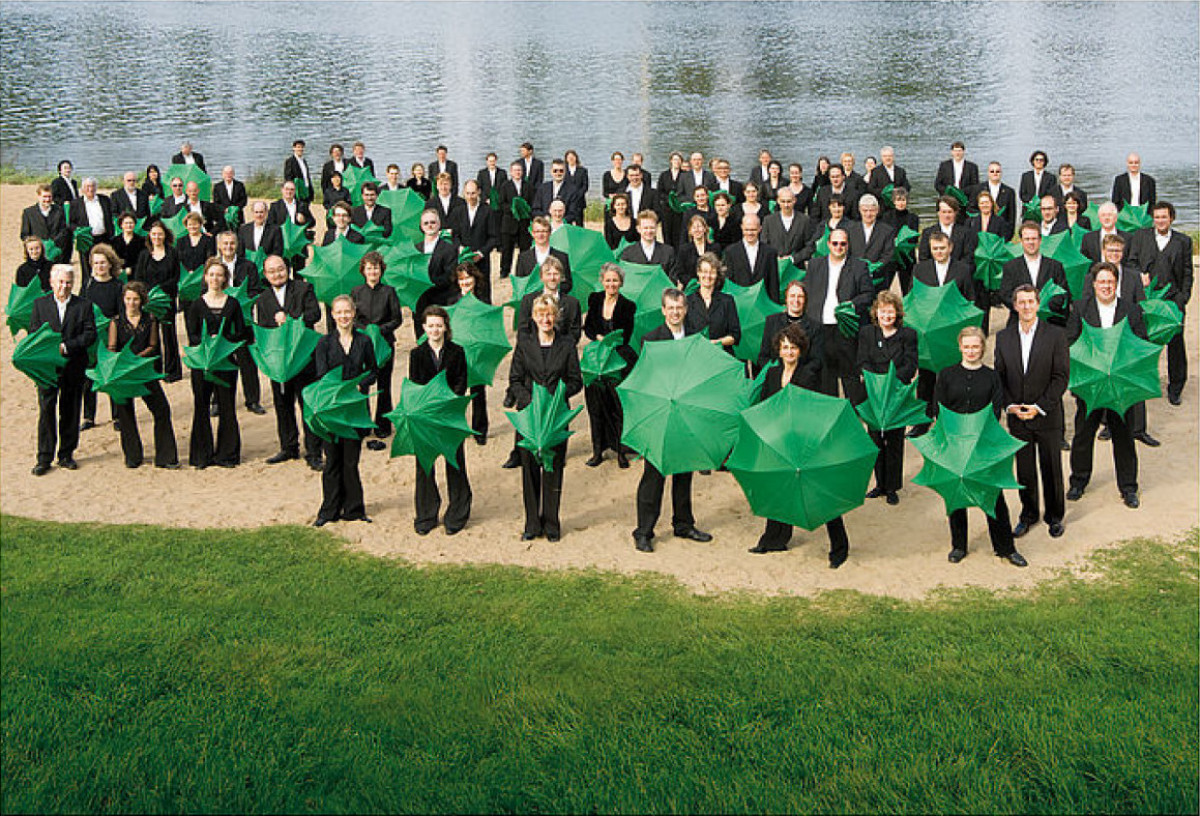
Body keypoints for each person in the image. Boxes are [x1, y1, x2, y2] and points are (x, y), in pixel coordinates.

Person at [748, 322, 850, 567]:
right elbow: (765, 407)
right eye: (785, 348)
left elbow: (814, 409)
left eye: (793, 347)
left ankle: (840, 548)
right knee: (778, 489)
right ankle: (774, 539)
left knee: (821, 493)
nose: (789, 352)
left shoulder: (809, 374)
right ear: (779, 350)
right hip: (780, 441)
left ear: (800, 350)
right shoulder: (772, 374)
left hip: (806, 442)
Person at [934, 326, 1027, 566]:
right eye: (967, 346)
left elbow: (995, 411)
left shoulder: (992, 376)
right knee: (956, 494)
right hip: (954, 444)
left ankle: (1005, 547)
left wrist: (976, 435)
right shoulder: (946, 375)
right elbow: (939, 410)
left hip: (983, 444)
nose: (971, 351)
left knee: (993, 496)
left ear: (982, 348)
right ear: (960, 348)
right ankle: (958, 545)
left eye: (975, 346)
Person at [632, 289, 713, 553]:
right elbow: (644, 379)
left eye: (679, 307)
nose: (675, 312)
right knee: (653, 476)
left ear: (686, 309)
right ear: (663, 310)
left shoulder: (696, 337)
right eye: (670, 308)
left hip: (686, 414)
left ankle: (683, 524)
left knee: (684, 472)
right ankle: (643, 531)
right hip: (660, 414)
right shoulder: (650, 340)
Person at [1065, 263, 1146, 509]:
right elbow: (1070, 342)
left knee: (1123, 437)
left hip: (1119, 386)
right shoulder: (1080, 308)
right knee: (1083, 435)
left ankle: (1128, 487)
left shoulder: (1130, 310)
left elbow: (1141, 342)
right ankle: (1078, 481)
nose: (1106, 286)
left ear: (1116, 283)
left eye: (1110, 282)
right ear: (1094, 284)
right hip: (1090, 385)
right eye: (1102, 282)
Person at [994, 285, 1069, 539]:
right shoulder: (1004, 337)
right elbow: (1000, 377)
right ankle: (1028, 515)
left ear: (1038, 304)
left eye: (1030, 301)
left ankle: (1055, 516)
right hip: (1018, 416)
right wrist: (1011, 406)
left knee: (1051, 467)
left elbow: (1060, 378)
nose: (1026, 306)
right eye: (1021, 302)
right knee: (1024, 470)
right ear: (1014, 306)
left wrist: (1039, 407)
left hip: (1047, 415)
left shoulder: (1056, 335)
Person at [509, 294, 583, 541]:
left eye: (549, 314)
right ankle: (532, 523)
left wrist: (555, 395)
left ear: (556, 316)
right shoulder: (524, 343)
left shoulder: (566, 344)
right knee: (529, 469)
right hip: (529, 416)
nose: (546, 319)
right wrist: (529, 399)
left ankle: (552, 523)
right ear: (534, 317)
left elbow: (575, 381)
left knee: (553, 469)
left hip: (555, 415)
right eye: (541, 314)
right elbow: (515, 380)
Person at [312, 294, 379, 527]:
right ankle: (328, 510)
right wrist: (340, 389)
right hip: (332, 409)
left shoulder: (364, 341)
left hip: (356, 409)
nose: (343, 316)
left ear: (354, 313)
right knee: (331, 461)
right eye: (339, 312)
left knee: (350, 461)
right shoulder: (324, 343)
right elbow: (321, 375)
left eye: (347, 312)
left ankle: (354, 508)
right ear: (333, 315)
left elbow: (373, 370)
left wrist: (362, 384)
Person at [255, 254, 324, 471]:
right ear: (265, 275)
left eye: (281, 269)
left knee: (308, 405)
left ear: (288, 269)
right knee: (282, 405)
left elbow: (315, 314)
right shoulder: (263, 299)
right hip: (280, 362)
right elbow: (264, 328)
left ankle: (314, 452)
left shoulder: (303, 289)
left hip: (304, 358)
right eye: (272, 271)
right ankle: (288, 447)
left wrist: (290, 318)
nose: (277, 274)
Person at [408, 305, 473, 534]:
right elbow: (415, 385)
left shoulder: (457, 351)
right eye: (431, 325)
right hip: (425, 417)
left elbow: (461, 383)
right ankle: (426, 515)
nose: (435, 329)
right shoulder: (416, 354)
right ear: (424, 327)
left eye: (439, 325)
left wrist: (446, 402)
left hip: (450, 416)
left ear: (445, 327)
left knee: (455, 464)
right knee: (425, 465)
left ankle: (457, 514)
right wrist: (429, 405)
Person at [28, 265, 96, 475]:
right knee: (46, 411)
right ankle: (44, 457)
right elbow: (33, 335)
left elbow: (89, 334)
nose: (64, 286)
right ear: (51, 282)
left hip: (73, 366)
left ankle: (66, 454)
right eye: (60, 282)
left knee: (70, 410)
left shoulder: (83, 305)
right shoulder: (40, 305)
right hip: (48, 369)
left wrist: (67, 347)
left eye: (68, 282)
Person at [854, 291, 918, 505]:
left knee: (894, 440)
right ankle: (880, 484)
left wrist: (891, 382)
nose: (886, 315)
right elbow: (862, 361)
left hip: (896, 395)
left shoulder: (908, 334)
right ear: (876, 313)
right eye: (883, 311)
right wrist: (876, 382)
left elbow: (910, 364)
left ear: (897, 313)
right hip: (874, 395)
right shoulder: (866, 333)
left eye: (890, 311)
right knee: (875, 439)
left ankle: (892, 487)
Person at [107, 281, 179, 469]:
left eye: (135, 299)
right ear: (123, 299)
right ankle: (133, 456)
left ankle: (165, 457)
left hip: (145, 371)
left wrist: (136, 360)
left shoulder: (150, 319)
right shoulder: (115, 322)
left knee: (162, 409)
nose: (131, 303)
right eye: (128, 299)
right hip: (124, 373)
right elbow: (112, 348)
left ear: (142, 300)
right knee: (125, 414)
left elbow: (153, 345)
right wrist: (125, 363)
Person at [1128, 201, 1192, 406]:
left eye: (1164, 217)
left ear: (1171, 218)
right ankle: (1143, 384)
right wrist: (1140, 276)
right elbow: (1131, 263)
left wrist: (1182, 300)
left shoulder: (1184, 241)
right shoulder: (1141, 236)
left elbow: (1188, 273)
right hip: (1147, 300)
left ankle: (1175, 388)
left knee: (1175, 345)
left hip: (1173, 301)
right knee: (1144, 343)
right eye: (1157, 217)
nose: (1160, 221)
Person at [185, 259, 246, 469]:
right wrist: (207, 340)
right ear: (205, 277)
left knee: (227, 407)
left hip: (226, 363)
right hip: (202, 364)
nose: (215, 279)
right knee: (201, 406)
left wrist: (222, 339)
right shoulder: (196, 304)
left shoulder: (233, 303)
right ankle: (202, 455)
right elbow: (191, 335)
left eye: (219, 275)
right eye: (211, 274)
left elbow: (241, 332)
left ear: (225, 278)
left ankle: (227, 455)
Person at [805, 228, 874, 398]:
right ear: (828, 244)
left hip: (845, 327)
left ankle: (855, 412)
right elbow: (808, 292)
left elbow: (869, 294)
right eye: (835, 243)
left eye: (843, 243)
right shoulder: (815, 265)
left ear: (848, 245)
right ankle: (831, 411)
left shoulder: (859, 266)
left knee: (849, 372)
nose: (839, 247)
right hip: (820, 325)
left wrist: (852, 304)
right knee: (825, 373)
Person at [582, 262, 637, 468]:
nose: (611, 284)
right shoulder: (594, 299)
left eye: (615, 280)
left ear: (621, 282)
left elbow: (625, 336)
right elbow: (587, 327)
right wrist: (598, 337)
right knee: (595, 403)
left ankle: (621, 450)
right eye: (608, 280)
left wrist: (609, 341)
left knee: (618, 405)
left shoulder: (628, 305)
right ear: (602, 281)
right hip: (596, 359)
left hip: (618, 359)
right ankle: (598, 450)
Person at [351, 251, 402, 451]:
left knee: (384, 384)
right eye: (369, 268)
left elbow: (397, 319)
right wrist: (365, 330)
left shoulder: (389, 291)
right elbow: (353, 317)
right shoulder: (356, 291)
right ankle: (363, 424)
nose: (373, 271)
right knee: (363, 384)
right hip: (363, 343)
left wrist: (379, 330)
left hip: (384, 343)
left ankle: (382, 425)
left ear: (382, 270)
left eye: (376, 268)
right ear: (363, 270)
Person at [213, 231, 265, 414]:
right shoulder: (213, 266)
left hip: (244, 322)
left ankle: (253, 400)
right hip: (220, 323)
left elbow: (256, 290)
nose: (228, 247)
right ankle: (219, 401)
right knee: (220, 362)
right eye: (225, 243)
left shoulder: (248, 266)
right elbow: (205, 290)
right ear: (219, 246)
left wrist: (240, 298)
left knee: (248, 362)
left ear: (237, 245)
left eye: (232, 243)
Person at [132, 220, 183, 382]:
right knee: (150, 336)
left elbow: (176, 277)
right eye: (153, 234)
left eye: (159, 234)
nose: (156, 237)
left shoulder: (173, 253)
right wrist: (148, 294)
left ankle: (172, 371)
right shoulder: (144, 255)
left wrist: (160, 290)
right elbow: (138, 278)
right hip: (149, 302)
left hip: (166, 300)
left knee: (169, 335)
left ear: (165, 235)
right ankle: (154, 369)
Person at [81, 244, 124, 431]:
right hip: (91, 338)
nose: (99, 266)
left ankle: (117, 416)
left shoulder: (117, 286)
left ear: (110, 264)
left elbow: (121, 313)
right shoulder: (87, 285)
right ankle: (89, 417)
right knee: (88, 377)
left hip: (110, 336)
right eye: (96, 263)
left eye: (103, 263)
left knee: (111, 375)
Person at [446, 263, 490, 442]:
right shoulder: (452, 302)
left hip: (477, 353)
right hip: (457, 353)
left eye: (468, 278)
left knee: (478, 393)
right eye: (461, 279)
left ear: (475, 278)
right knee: (457, 392)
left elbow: (488, 328)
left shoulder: (483, 301)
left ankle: (480, 431)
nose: (465, 282)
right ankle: (456, 427)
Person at [1000, 222, 1070, 328]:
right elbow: (1005, 294)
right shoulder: (1010, 267)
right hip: (1019, 322)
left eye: (1034, 238)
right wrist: (1026, 307)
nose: (1031, 242)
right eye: (1027, 239)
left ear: (1040, 240)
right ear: (1021, 241)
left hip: (1050, 322)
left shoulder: (1055, 266)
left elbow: (1063, 293)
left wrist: (1045, 307)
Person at [757, 280, 823, 379]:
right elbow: (763, 356)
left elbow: (816, 361)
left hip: (803, 380)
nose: (796, 300)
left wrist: (796, 376)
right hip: (775, 378)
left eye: (800, 296)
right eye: (792, 296)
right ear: (786, 299)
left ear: (805, 300)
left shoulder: (816, 327)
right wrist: (777, 374)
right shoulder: (772, 322)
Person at [449, 179, 498, 303]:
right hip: (462, 260)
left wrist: (481, 253)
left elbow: (494, 237)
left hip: (481, 260)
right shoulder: (457, 211)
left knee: (483, 292)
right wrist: (458, 247)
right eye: (468, 193)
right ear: (464, 194)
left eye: (473, 193)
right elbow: (454, 235)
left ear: (479, 192)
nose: (470, 196)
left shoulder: (488, 211)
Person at [413, 209, 462, 326]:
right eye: (426, 223)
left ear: (439, 224)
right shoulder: (415, 249)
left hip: (440, 300)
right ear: (421, 226)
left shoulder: (449, 249)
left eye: (432, 222)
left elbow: (450, 275)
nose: (429, 225)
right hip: (419, 302)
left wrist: (428, 282)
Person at [684, 252, 740, 354]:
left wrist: (717, 342)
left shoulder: (727, 301)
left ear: (717, 274)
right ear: (698, 273)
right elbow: (684, 333)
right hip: (696, 354)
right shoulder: (687, 301)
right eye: (704, 271)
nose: (708, 276)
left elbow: (735, 335)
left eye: (712, 272)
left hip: (722, 354)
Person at [69, 178, 114, 285]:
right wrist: (79, 231)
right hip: (86, 239)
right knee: (86, 268)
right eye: (87, 187)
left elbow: (111, 217)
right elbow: (71, 223)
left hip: (104, 237)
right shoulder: (76, 203)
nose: (90, 189)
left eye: (92, 186)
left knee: (105, 264)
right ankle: (86, 289)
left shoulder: (105, 200)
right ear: (83, 189)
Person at [846, 194, 896, 292]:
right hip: (855, 277)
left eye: (872, 210)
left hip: (879, 277)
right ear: (860, 210)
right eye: (865, 210)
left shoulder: (887, 230)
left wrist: (877, 266)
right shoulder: (850, 229)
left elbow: (889, 253)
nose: (868, 214)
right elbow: (847, 251)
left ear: (877, 210)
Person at [266, 180, 315, 272]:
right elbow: (270, 225)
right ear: (282, 190)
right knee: (284, 272)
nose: (289, 192)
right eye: (287, 189)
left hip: (298, 245)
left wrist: (304, 220)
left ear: (295, 191)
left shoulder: (302, 205)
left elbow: (312, 222)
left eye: (292, 189)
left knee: (299, 273)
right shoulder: (275, 206)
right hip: (283, 245)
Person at [516, 216, 573, 293]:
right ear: (533, 233)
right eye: (537, 231)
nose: (540, 235)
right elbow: (519, 285)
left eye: (544, 231)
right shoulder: (523, 258)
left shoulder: (562, 257)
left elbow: (568, 284)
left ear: (549, 233)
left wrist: (551, 289)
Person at [761, 186, 815, 267]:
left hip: (796, 268)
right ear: (778, 201)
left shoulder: (804, 220)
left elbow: (810, 246)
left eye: (789, 201)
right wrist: (775, 258)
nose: (786, 205)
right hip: (774, 266)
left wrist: (793, 258)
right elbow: (764, 245)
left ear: (794, 201)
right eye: (783, 201)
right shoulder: (768, 220)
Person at [498, 160, 533, 278]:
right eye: (515, 170)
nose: (518, 172)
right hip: (508, 223)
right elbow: (501, 204)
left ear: (522, 172)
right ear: (511, 172)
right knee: (507, 249)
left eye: (520, 170)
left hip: (524, 223)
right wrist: (513, 208)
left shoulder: (528, 185)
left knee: (525, 249)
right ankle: (504, 271)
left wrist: (524, 209)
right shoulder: (505, 185)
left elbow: (531, 203)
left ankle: (524, 271)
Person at [20, 183, 71, 265]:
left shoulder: (60, 211)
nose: (47, 199)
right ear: (39, 196)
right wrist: (38, 244)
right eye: (44, 196)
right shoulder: (28, 212)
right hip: (37, 254)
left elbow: (64, 230)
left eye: (49, 197)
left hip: (56, 253)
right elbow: (24, 234)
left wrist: (53, 243)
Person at [969, 161, 1018, 239]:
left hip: (1001, 232)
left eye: (997, 171)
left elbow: (1011, 216)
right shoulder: (977, 189)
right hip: (981, 230)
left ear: (1001, 173)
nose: (995, 173)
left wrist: (1009, 236)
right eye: (992, 171)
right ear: (988, 173)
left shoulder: (1009, 191)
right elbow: (971, 209)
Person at [531, 159, 584, 225]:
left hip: (564, 226)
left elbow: (574, 212)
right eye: (555, 171)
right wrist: (545, 217)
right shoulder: (542, 188)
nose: (558, 173)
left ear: (565, 172)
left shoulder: (572, 190)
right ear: (551, 171)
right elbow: (535, 209)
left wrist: (560, 221)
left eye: (561, 171)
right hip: (545, 225)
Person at [656, 151, 686, 247]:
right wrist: (668, 199)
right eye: (675, 159)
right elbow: (659, 191)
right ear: (671, 161)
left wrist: (678, 201)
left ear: (681, 162)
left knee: (678, 234)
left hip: (680, 210)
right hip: (667, 209)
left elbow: (687, 191)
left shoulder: (685, 175)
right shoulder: (664, 175)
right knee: (667, 233)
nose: (676, 162)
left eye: (679, 160)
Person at [563, 149, 588, 214]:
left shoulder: (582, 170)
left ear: (576, 158)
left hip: (579, 199)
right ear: (566, 159)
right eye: (569, 157)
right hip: (566, 199)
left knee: (579, 221)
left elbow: (585, 186)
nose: (571, 159)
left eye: (573, 157)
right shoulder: (562, 170)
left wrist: (578, 195)